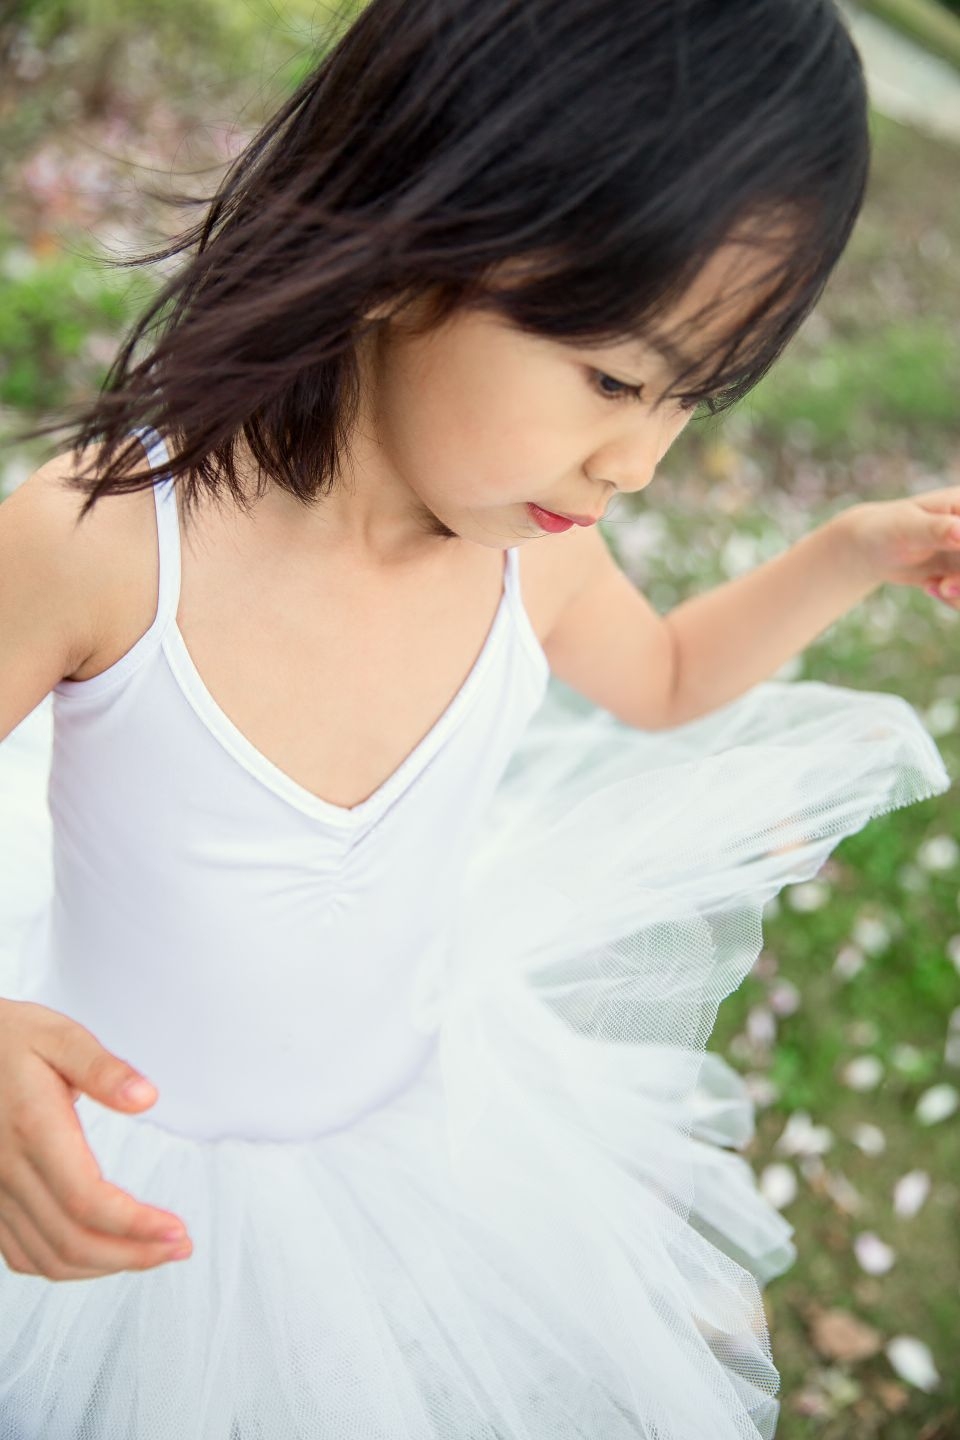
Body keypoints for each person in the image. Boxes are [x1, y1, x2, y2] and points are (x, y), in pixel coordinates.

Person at [0, 0, 956, 1435]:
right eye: (616, 378)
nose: (638, 462)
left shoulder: (533, 556)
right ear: (415, 243)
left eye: (692, 402)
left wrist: (851, 553)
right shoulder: (103, 543)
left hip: (411, 1146)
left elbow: (667, 679)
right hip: (126, 1170)